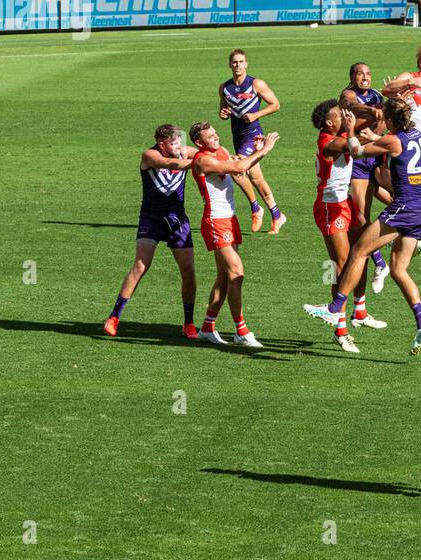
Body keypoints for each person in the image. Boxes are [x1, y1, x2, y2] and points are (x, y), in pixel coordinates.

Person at [304, 97, 421, 355]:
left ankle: (335, 309)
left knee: (359, 252)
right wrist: (372, 136)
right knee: (399, 270)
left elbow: (356, 150)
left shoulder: (392, 139)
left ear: (389, 120)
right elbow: (382, 143)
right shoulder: (417, 136)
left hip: (404, 209)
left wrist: (356, 132)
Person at [104, 124, 198, 339]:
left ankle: (189, 323)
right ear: (162, 144)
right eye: (174, 143)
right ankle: (114, 317)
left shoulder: (184, 151)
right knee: (140, 266)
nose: (179, 146)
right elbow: (170, 163)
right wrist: (200, 162)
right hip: (151, 219)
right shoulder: (150, 155)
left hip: (177, 220)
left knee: (188, 270)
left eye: (180, 142)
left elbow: (211, 153)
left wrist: (233, 158)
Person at [189, 122, 279, 347]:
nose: (216, 137)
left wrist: (256, 154)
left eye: (215, 133)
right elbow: (238, 169)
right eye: (210, 136)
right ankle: (241, 330)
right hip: (216, 222)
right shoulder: (202, 160)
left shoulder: (220, 152)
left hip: (230, 219)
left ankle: (208, 327)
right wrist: (264, 150)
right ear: (199, 143)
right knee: (236, 272)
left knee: (224, 276)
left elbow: (241, 168)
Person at [310, 99, 369, 353]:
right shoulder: (327, 141)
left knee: (346, 262)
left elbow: (360, 140)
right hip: (328, 208)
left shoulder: (342, 133)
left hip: (342, 203)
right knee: (343, 264)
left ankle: (349, 317)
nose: (345, 118)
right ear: (329, 122)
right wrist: (355, 129)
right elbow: (353, 147)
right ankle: (341, 328)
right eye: (340, 116)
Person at [340, 62, 394, 300]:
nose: (365, 77)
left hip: (372, 155)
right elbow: (352, 105)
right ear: (352, 77)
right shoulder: (348, 94)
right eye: (360, 74)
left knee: (395, 199)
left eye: (368, 74)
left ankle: (399, 236)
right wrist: (372, 112)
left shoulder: (376, 95)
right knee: (361, 214)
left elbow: (385, 117)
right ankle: (381, 262)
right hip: (358, 161)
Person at [219, 49, 286, 232]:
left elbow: (276, 104)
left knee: (236, 169)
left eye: (241, 62)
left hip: (253, 136)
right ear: (230, 65)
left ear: (246, 64)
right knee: (256, 178)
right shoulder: (224, 88)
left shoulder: (256, 84)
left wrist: (256, 114)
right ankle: (277, 214)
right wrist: (224, 114)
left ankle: (256, 209)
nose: (238, 65)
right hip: (238, 137)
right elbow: (223, 111)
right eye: (234, 62)